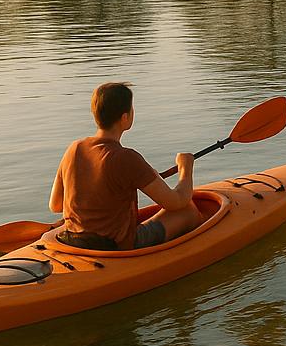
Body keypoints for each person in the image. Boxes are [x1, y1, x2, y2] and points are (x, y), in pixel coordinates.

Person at [49, 82, 202, 251]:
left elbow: (56, 205)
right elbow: (177, 202)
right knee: (188, 210)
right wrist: (185, 167)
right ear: (125, 117)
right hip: (116, 246)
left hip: (72, 240)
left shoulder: (74, 148)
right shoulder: (127, 158)